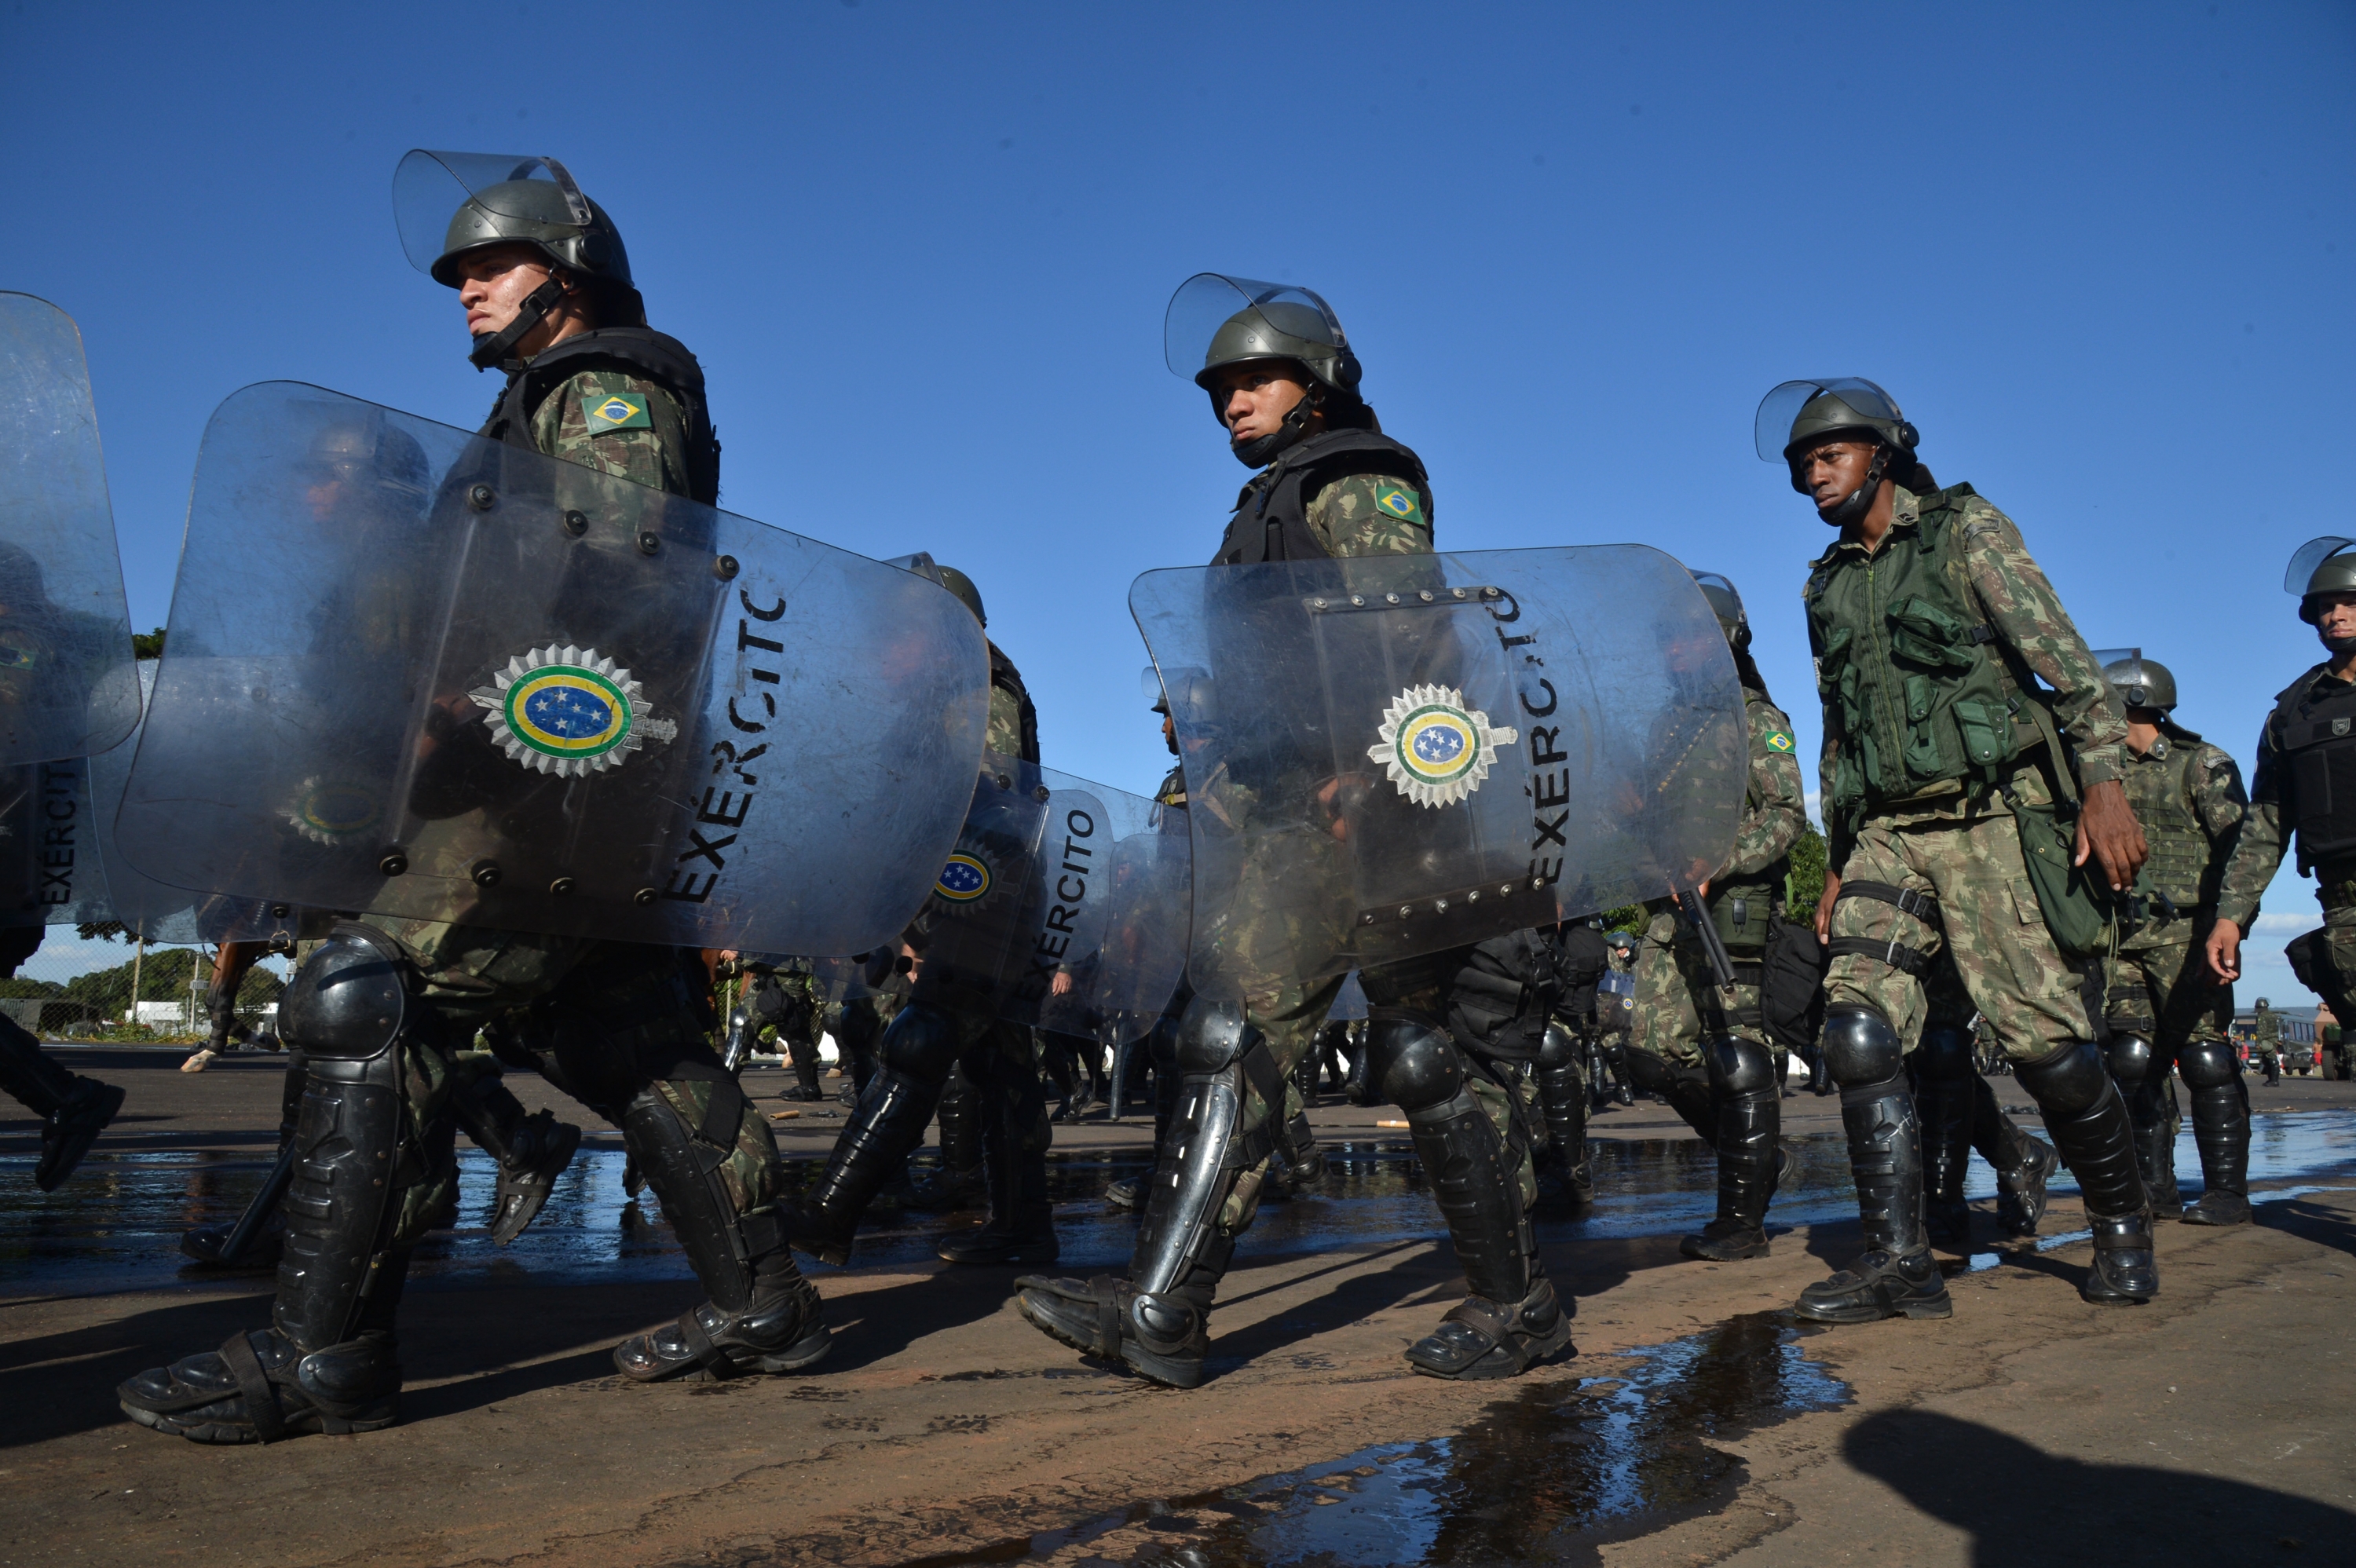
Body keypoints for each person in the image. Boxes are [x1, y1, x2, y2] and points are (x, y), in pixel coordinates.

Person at [120, 154, 826, 1445]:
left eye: (490, 267)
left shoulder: (603, 385)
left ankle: (319, 1355)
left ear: (563, 276)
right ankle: (766, 1300)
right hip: (576, 793)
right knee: (625, 1040)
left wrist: (471, 702)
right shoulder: (539, 403)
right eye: (457, 273)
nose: (466, 290)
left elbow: (610, 570)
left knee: (371, 997)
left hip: (541, 785)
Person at [1016, 275, 1572, 1387]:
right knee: (1233, 1038)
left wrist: (1369, 774)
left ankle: (1520, 1307)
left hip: (1386, 813)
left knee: (1422, 1058)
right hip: (1290, 819)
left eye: (1256, 379)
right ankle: (1161, 1311)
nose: (1232, 400)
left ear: (1317, 382)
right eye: (1222, 386)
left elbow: (1416, 641)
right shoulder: (1266, 503)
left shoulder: (1359, 479)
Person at [1765, 376, 2155, 1320]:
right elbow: (1838, 730)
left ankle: (2120, 1222)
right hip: (1890, 831)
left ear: (1882, 453)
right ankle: (1901, 1263)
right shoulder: (1823, 584)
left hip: (1988, 815)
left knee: (2046, 1044)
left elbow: (2066, 661)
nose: (1815, 475)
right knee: (1857, 1031)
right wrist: (1837, 858)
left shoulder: (1964, 531)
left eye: (1831, 455)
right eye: (1803, 464)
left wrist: (2103, 785)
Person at [786, 563, 1063, 1269]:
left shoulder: (976, 681)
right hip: (961, 896)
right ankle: (1023, 1225)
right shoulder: (929, 690)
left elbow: (994, 798)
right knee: (1000, 1068)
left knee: (922, 1040)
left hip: (986, 896)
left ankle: (829, 1213)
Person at [1618, 573, 1806, 1261]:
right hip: (1673, 912)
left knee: (1739, 1058)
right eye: (1667, 639)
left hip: (1734, 909)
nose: (1674, 651)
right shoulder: (1666, 727)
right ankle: (1756, 1155)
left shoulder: (1756, 718)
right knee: (1647, 1052)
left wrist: (1717, 860)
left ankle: (1742, 1220)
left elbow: (1787, 817)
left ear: (1723, 640)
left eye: (1688, 637)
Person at [2093, 653, 2251, 1219]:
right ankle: (2154, 1188)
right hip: (2123, 933)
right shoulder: (2097, 770)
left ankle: (2227, 1192)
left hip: (2189, 932)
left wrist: (2232, 920)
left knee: (2205, 1057)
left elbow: (2241, 849)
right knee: (2132, 1059)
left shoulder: (2201, 764)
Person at [2246, 1001, 2285, 1087]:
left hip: (2266, 1040)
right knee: (2267, 1059)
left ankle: (2274, 1080)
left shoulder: (2262, 1017)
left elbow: (2261, 1031)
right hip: (2273, 1039)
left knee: (2270, 1059)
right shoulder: (2273, 1015)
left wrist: (2258, 1043)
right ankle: (2271, 1080)